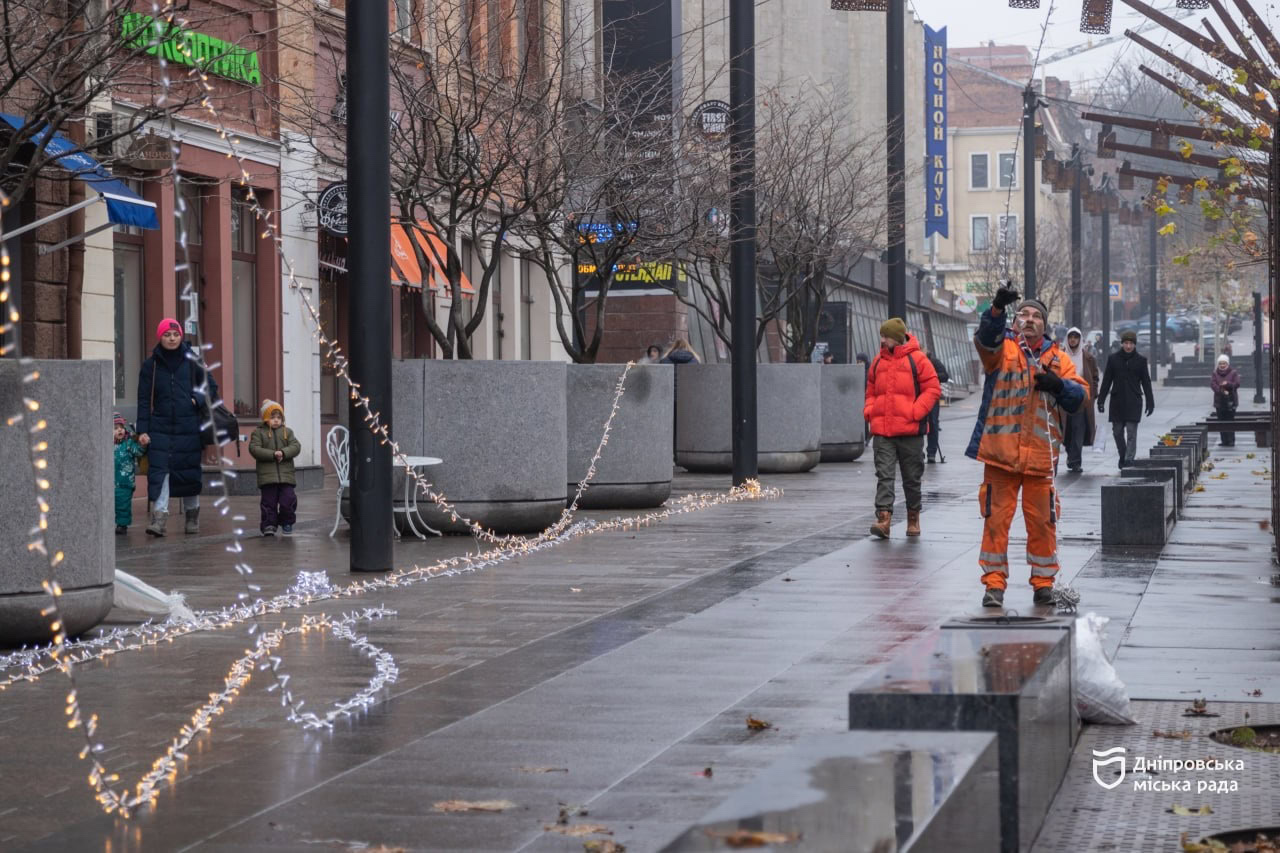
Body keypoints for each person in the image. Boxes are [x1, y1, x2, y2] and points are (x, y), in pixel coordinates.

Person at [968, 287, 1088, 608]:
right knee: (995, 523)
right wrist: (996, 309)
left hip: (1039, 459)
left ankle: (1043, 584)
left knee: (1043, 524)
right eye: (1024, 314)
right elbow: (986, 337)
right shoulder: (1003, 350)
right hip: (1001, 455)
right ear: (1016, 320)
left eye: (1036, 316)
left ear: (1045, 325)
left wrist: (1059, 385)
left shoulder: (1057, 359)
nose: (1030, 320)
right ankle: (994, 585)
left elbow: (1079, 397)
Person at [136, 318, 216, 537]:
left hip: (188, 426)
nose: (171, 338)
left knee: (188, 473)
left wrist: (196, 400)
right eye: (166, 335)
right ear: (159, 337)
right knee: (160, 472)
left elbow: (210, 386)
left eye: (175, 334)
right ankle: (159, 519)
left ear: (181, 336)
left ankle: (192, 515)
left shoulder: (193, 360)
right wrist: (142, 430)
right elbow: (143, 399)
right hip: (159, 427)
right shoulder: (150, 365)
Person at [864, 318, 941, 539]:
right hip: (883, 431)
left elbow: (933, 388)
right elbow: (870, 389)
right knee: (884, 476)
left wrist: (915, 412)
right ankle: (883, 519)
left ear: (896, 337)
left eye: (885, 336)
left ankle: (913, 518)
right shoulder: (878, 361)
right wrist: (870, 409)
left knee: (912, 477)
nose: (882, 339)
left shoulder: (918, 360)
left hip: (910, 432)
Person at [1097, 329, 1154, 469]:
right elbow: (1106, 381)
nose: (1128, 346)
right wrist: (1101, 400)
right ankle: (1123, 455)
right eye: (1126, 343)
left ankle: (1129, 460)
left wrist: (1150, 402)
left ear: (1135, 345)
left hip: (1134, 400)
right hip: (1117, 401)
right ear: (1122, 344)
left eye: (1131, 343)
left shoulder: (1141, 361)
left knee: (1131, 433)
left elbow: (1146, 382)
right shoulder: (1113, 359)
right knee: (1117, 432)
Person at [249, 399, 302, 536]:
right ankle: (269, 525)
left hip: (286, 475)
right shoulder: (258, 432)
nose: (276, 420)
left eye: (279, 417)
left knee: (288, 500)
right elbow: (254, 449)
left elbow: (296, 447)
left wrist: (283, 453)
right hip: (267, 477)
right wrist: (273, 454)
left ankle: (287, 522)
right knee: (268, 502)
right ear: (266, 418)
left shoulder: (288, 432)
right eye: (272, 417)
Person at [1061, 327, 1099, 472]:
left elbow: (1094, 377)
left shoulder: (1088, 358)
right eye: (1071, 337)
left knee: (1079, 429)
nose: (1073, 340)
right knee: (1067, 430)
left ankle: (1075, 460)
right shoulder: (1060, 355)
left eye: (1076, 337)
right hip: (1063, 399)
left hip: (1082, 400)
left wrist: (1093, 394)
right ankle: (1071, 455)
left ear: (1080, 339)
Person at [112, 413, 145, 535]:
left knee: (123, 505)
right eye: (115, 428)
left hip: (125, 482)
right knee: (110, 504)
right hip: (110, 483)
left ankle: (122, 525)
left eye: (121, 427)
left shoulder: (129, 443)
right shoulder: (107, 445)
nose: (119, 429)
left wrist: (142, 444)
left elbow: (139, 452)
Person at [922, 347, 950, 463]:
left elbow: (945, 376)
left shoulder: (933, 362)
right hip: (919, 396)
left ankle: (931, 453)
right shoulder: (914, 361)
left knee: (933, 423)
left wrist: (931, 375)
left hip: (932, 397)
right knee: (918, 425)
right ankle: (919, 452)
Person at [1210, 354, 1240, 447]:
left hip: (1230, 401)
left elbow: (1237, 384)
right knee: (1221, 421)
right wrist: (1221, 391)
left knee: (1230, 421)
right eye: (1220, 363)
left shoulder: (1233, 373)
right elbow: (1213, 384)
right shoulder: (1215, 373)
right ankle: (1224, 441)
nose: (1222, 365)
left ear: (1227, 364)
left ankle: (1231, 441)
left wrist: (1228, 384)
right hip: (1219, 401)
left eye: (1224, 363)